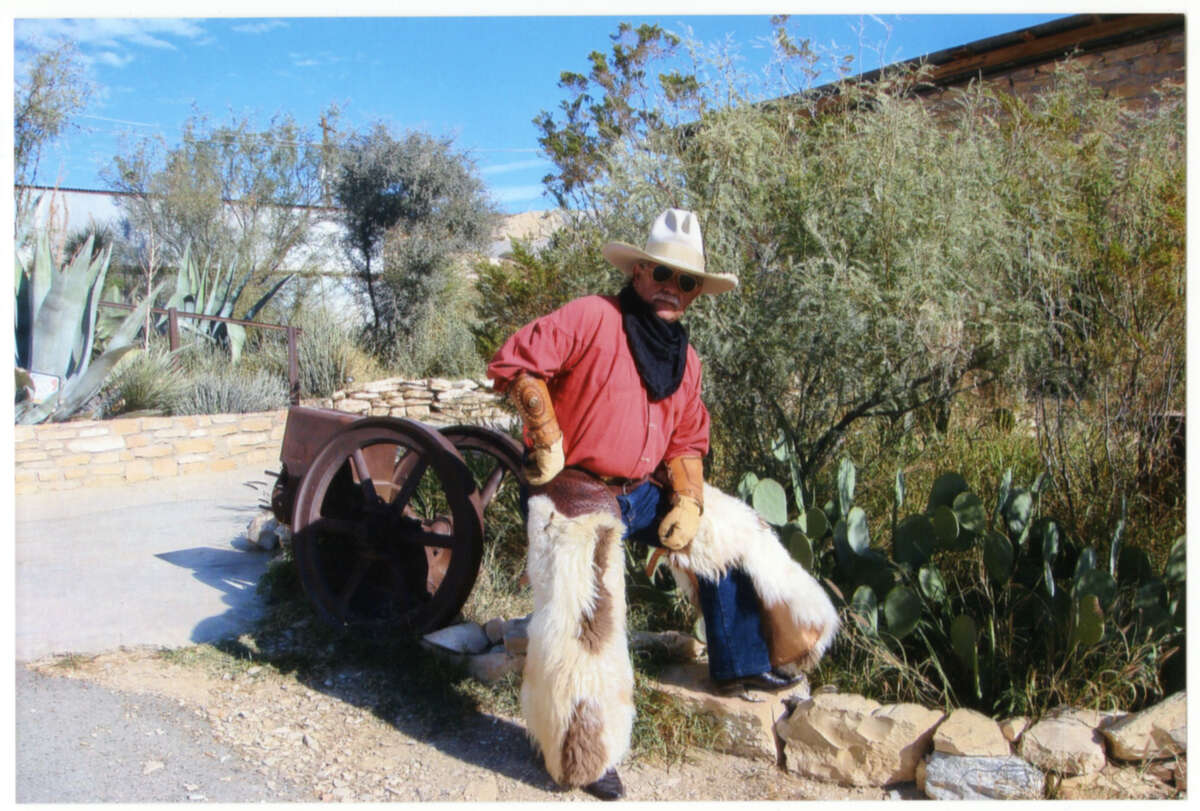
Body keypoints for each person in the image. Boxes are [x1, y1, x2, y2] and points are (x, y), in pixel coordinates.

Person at [487, 208, 838, 801]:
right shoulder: (593, 317)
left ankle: (742, 658)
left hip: (639, 491)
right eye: (660, 275)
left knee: (733, 531)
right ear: (639, 271)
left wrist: (691, 496)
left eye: (686, 282)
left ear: (696, 292)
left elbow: (687, 437)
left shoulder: (684, 359)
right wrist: (544, 428)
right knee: (588, 620)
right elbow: (515, 363)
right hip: (575, 487)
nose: (671, 289)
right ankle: (585, 757)